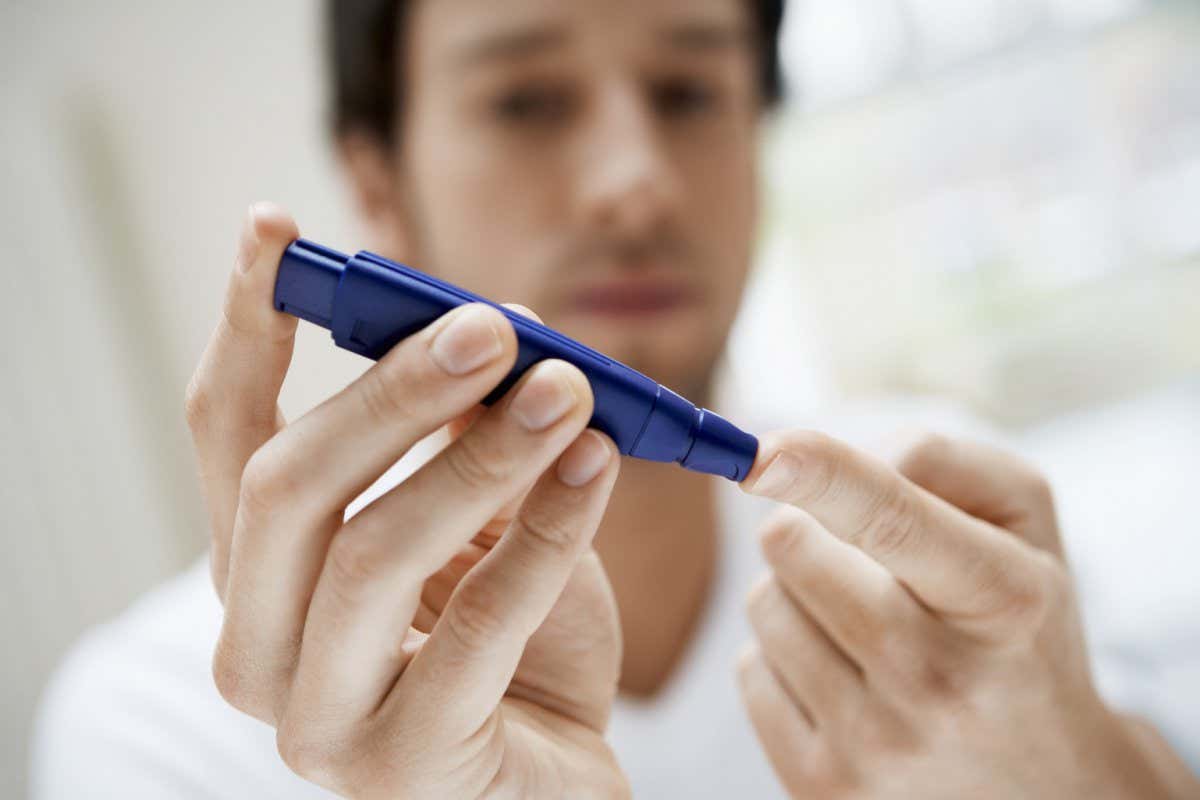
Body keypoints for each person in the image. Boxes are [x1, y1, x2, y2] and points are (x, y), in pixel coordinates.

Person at [31, 0, 1200, 797]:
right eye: (526, 101)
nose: (633, 179)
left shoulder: (954, 548)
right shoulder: (154, 724)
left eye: (690, 91)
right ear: (376, 181)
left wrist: (1092, 771)